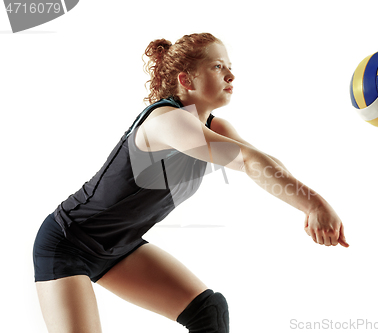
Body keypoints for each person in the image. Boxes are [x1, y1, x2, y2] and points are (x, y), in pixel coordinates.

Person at [33, 32, 349, 333]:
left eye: (230, 67)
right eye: (217, 66)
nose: (231, 76)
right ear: (186, 79)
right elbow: (249, 161)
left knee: (208, 312)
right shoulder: (166, 122)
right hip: (67, 243)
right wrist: (315, 204)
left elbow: (262, 162)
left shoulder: (216, 126)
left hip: (119, 246)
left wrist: (308, 206)